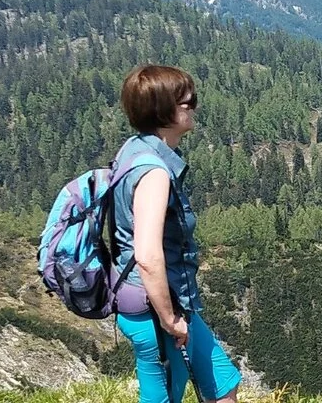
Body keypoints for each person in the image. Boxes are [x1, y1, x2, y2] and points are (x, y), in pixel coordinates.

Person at [111, 65, 241, 403]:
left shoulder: (134, 149)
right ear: (163, 111)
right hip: (156, 311)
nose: (195, 107)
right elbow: (147, 255)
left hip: (172, 303)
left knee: (223, 383)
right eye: (188, 102)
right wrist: (169, 319)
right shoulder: (153, 172)